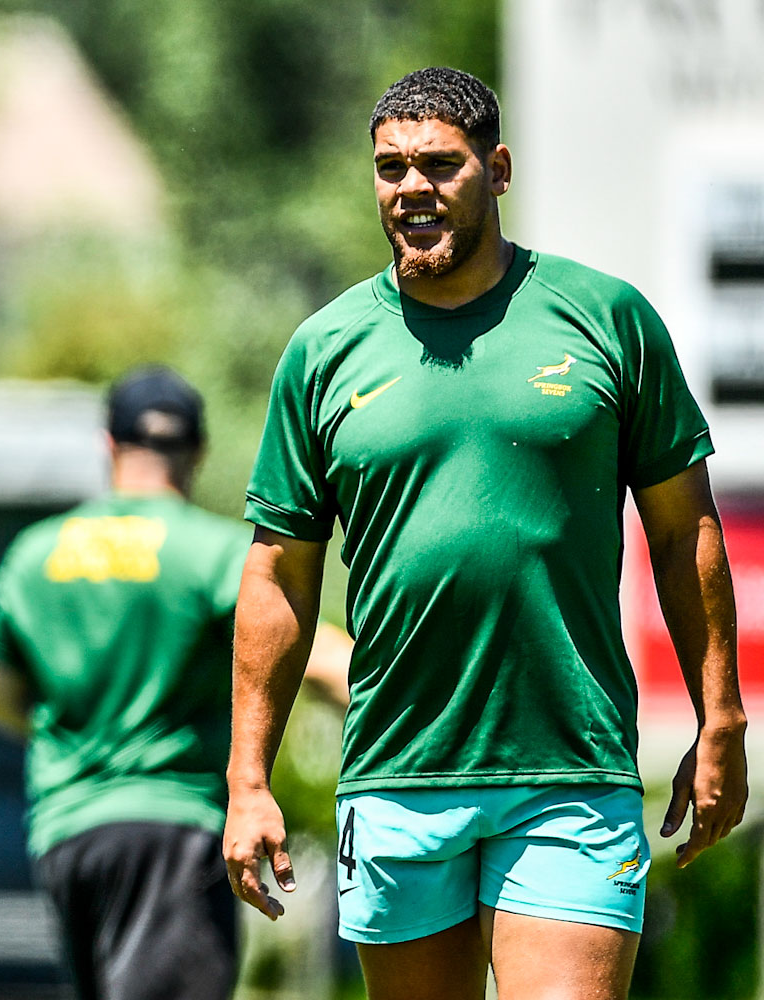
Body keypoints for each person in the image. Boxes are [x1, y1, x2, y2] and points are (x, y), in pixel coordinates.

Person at [223, 67, 746, 1000]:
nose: (411, 187)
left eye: (439, 164)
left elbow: (684, 533)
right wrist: (247, 777)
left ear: (497, 170)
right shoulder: (323, 350)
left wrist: (722, 717)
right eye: (390, 168)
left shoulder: (607, 318)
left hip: (569, 770)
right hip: (395, 773)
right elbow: (279, 579)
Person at [0, 366, 351, 1000]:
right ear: (197, 452)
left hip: (67, 833)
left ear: (109, 445)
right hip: (175, 828)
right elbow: (326, 663)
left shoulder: (34, 553)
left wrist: (77, 741)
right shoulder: (213, 551)